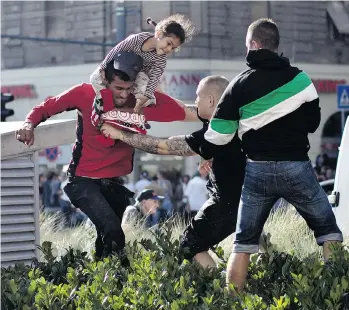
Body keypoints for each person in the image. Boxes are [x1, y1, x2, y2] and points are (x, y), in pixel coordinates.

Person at [15, 52, 200, 264]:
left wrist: (218, 114)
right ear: (105, 81)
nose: (123, 95)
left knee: (106, 241)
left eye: (128, 88)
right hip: (83, 181)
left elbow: (187, 112)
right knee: (113, 230)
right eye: (118, 88)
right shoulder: (84, 93)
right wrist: (28, 125)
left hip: (114, 183)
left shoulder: (141, 100)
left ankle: (101, 282)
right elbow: (46, 107)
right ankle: (122, 280)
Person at [204, 18, 343, 291]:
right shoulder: (301, 80)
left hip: (257, 171)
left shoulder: (239, 85)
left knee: (243, 244)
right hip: (297, 167)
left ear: (254, 45)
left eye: (247, 46)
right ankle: (335, 295)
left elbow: (218, 136)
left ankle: (234, 303)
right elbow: (313, 123)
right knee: (329, 232)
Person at [101, 75, 247, 270]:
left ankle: (220, 292)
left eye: (198, 96)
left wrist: (120, 134)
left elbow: (163, 147)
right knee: (246, 247)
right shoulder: (232, 119)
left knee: (190, 245)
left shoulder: (214, 134)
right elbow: (186, 110)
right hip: (249, 200)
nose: (195, 101)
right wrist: (155, 96)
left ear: (211, 100)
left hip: (227, 203)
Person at [90, 14, 195, 146]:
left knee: (150, 97)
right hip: (120, 69)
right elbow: (116, 50)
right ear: (158, 33)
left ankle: (135, 120)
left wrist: (144, 98)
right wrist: (103, 68)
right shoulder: (137, 39)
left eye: (172, 48)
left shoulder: (161, 59)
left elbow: (154, 79)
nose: (168, 49)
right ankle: (101, 104)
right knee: (94, 78)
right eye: (168, 43)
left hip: (139, 75)